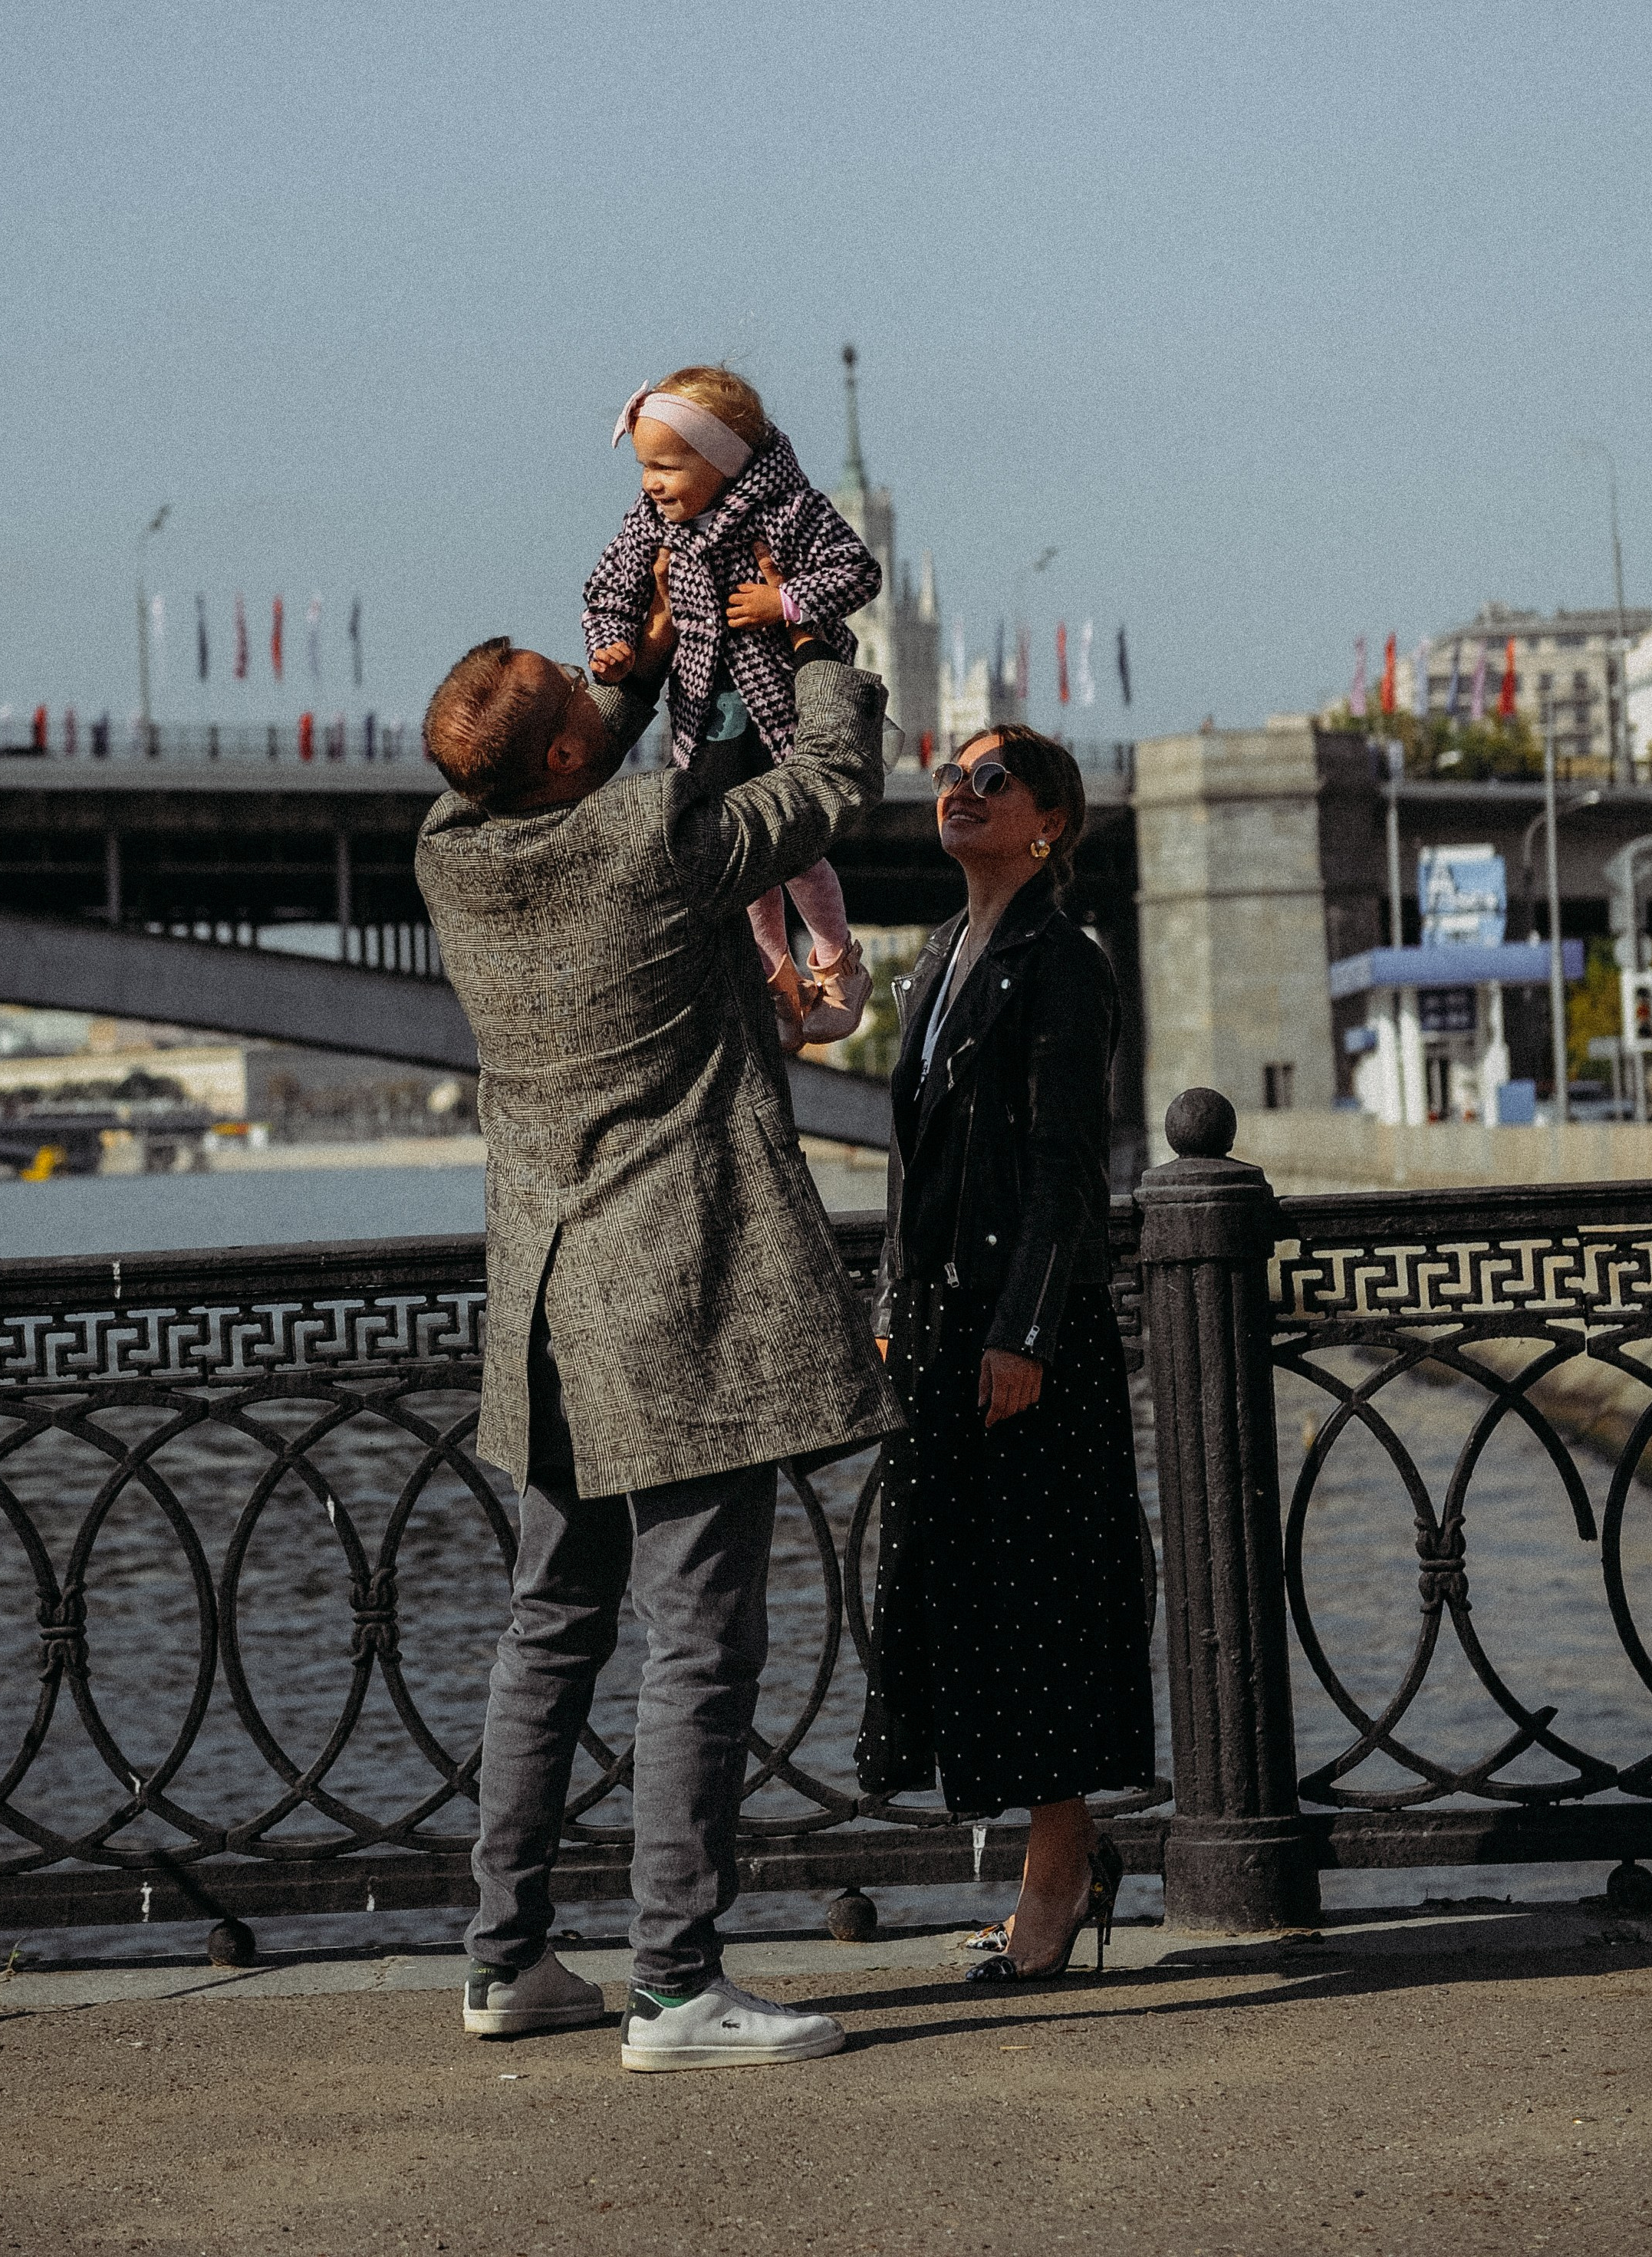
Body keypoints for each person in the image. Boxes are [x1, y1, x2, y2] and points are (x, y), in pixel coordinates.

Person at [416, 560, 903, 2070]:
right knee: (701, 1640)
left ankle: (507, 1962)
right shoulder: (657, 834)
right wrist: (806, 641)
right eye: (579, 697)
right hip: (683, 1298)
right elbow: (826, 783)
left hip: (546, 1310)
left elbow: (574, 743)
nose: (598, 692)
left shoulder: (449, 847)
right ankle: (678, 1988)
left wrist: (621, 670)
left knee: (550, 1627)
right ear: (571, 756)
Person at [854, 723, 1157, 1982]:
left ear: (1051, 824)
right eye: (952, 776)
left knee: (1041, 1615)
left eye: (994, 779)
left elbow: (1065, 1172)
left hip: (1021, 1331)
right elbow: (917, 1154)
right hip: (942, 1323)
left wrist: (1023, 1330)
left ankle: (1054, 1889)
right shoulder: (939, 955)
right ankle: (1065, 1865)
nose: (960, 792)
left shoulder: (1065, 961)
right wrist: (892, 1299)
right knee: (970, 1602)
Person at [584, 364, 881, 1052]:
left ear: (720, 461)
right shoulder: (651, 524)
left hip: (783, 708)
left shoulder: (791, 511)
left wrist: (783, 604)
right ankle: (774, 974)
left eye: (665, 466)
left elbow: (857, 573)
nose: (649, 483)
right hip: (703, 712)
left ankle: (836, 960)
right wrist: (612, 647)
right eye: (643, 467)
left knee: (797, 845)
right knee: (733, 846)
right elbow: (608, 590)